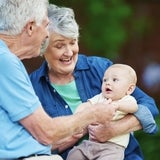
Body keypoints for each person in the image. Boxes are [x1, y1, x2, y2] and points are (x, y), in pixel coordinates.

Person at [30, 4, 159, 160]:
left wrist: (113, 129)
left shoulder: (101, 69)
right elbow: (30, 146)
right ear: (42, 48)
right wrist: (72, 134)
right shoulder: (32, 87)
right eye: (59, 45)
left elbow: (148, 106)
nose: (69, 52)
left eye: (73, 42)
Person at [0, 1, 117, 159]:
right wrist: (92, 114)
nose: (47, 35)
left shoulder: (8, 61)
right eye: (46, 25)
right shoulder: (5, 61)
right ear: (30, 27)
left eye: (72, 42)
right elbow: (46, 132)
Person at [66, 64, 140, 160]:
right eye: (105, 80)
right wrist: (77, 118)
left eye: (114, 80)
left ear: (129, 89)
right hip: (91, 145)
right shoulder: (100, 97)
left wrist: (117, 105)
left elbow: (134, 107)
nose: (108, 83)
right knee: (74, 154)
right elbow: (85, 105)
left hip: (112, 148)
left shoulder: (127, 100)